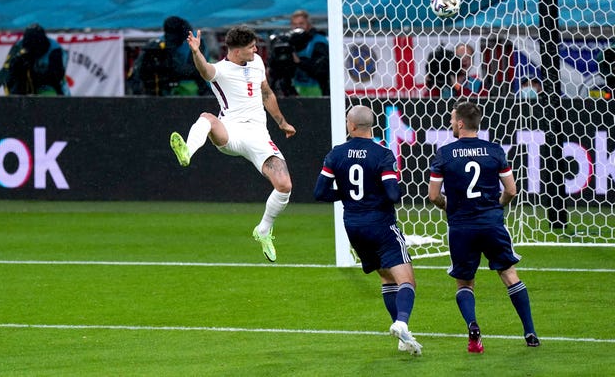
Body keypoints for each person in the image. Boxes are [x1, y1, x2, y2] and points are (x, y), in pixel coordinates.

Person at [169, 25, 296, 262]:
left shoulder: (257, 62)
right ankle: (187, 150)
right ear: (237, 51)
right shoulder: (222, 70)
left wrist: (282, 122)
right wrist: (196, 52)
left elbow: (266, 93)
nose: (256, 49)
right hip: (231, 132)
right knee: (208, 117)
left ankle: (263, 230)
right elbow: (206, 71)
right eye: (251, 47)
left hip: (259, 135)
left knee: (284, 185)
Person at [427, 101, 540, 353]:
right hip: (491, 223)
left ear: (459, 123)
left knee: (465, 284)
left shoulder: (444, 154)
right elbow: (511, 190)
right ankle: (530, 331)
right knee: (509, 275)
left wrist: (452, 207)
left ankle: (473, 326)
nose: (449, 123)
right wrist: (496, 206)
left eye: (451, 119)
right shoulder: (495, 151)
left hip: (461, 227)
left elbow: (433, 196)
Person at [314, 105, 422, 356]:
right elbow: (393, 194)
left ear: (351, 126)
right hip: (380, 224)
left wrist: (348, 196)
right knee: (407, 281)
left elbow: (320, 192)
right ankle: (402, 322)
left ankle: (403, 339)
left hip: (353, 226)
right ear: (370, 126)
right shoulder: (382, 154)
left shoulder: (336, 154)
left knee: (386, 277)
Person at [127, 16, 211, 96]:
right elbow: (138, 71)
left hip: (194, 89)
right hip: (165, 91)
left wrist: (171, 63)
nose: (170, 38)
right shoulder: (159, 44)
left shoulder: (196, 42)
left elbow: (195, 71)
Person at [0, 23, 70, 96]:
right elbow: (7, 68)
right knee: (16, 72)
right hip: (24, 88)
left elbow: (57, 77)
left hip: (49, 86)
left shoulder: (55, 50)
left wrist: (35, 73)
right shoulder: (19, 47)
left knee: (49, 92)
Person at [268, 10, 329, 97]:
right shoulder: (287, 42)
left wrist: (299, 61)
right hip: (294, 92)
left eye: (301, 24)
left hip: (318, 91)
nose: (297, 27)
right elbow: (277, 72)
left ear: (308, 25)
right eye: (295, 24)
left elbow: (321, 70)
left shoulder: (318, 41)